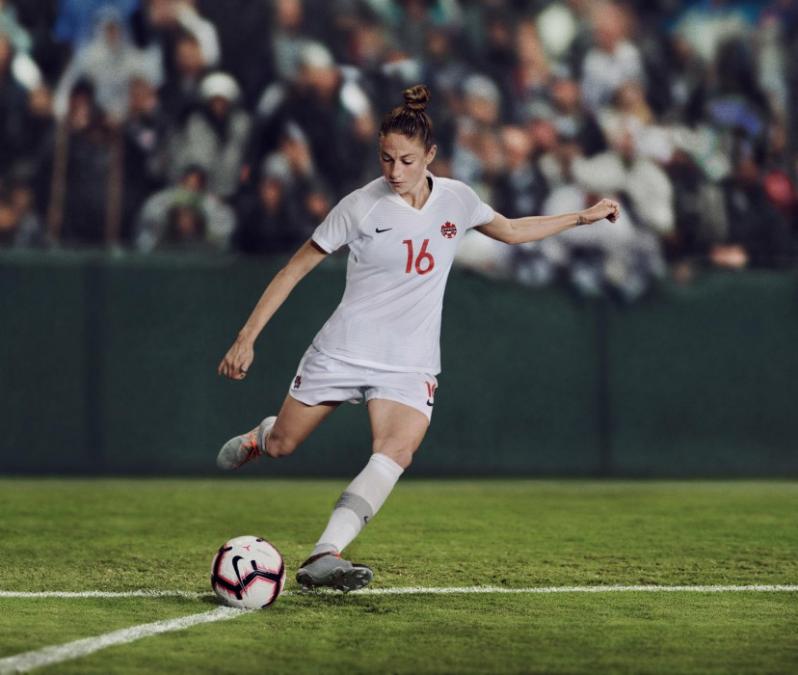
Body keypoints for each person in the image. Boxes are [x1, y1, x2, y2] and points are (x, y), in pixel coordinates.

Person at [216, 85, 619, 592]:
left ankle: (325, 552)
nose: (394, 171)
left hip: (410, 362)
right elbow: (293, 271)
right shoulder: (360, 207)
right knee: (283, 446)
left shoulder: (457, 199)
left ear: (430, 155)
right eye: (385, 158)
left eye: (406, 159)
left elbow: (514, 230)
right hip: (343, 350)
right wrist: (246, 337)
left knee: (395, 453)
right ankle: (263, 435)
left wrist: (582, 217)